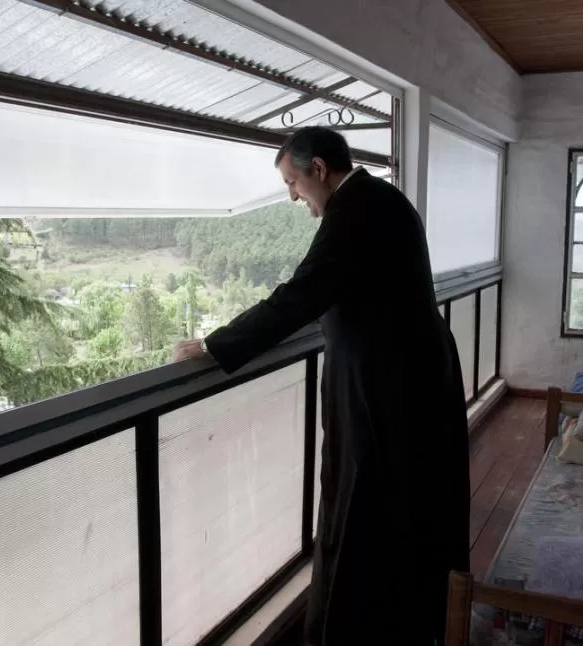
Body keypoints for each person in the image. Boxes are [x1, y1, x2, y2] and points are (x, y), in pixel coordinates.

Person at [173, 126, 470, 645]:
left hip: (386, 387)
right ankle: (417, 619)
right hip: (408, 375)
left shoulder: (354, 211)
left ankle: (366, 628)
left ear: (319, 169)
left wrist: (216, 345)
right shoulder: (381, 199)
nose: (292, 196)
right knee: (412, 502)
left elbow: (302, 293)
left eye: (293, 183)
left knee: (366, 503)